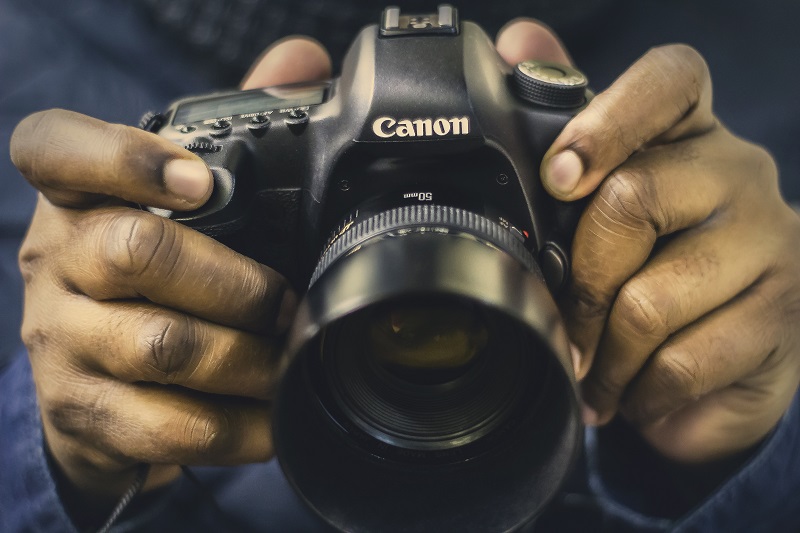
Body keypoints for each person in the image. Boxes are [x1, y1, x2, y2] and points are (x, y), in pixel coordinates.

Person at [1, 0, 799, 531]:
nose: (420, 321)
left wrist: (754, 438)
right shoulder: (26, 49)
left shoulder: (770, 61)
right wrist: (71, 448)